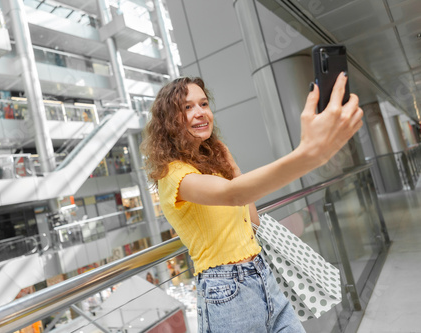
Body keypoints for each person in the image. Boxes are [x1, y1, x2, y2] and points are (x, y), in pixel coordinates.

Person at [140, 75, 362, 332]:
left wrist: (233, 168)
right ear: (169, 121)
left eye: (203, 104)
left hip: (262, 274)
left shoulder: (211, 164)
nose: (200, 113)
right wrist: (309, 155)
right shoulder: (174, 175)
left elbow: (252, 221)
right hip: (226, 291)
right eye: (187, 107)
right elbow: (234, 195)